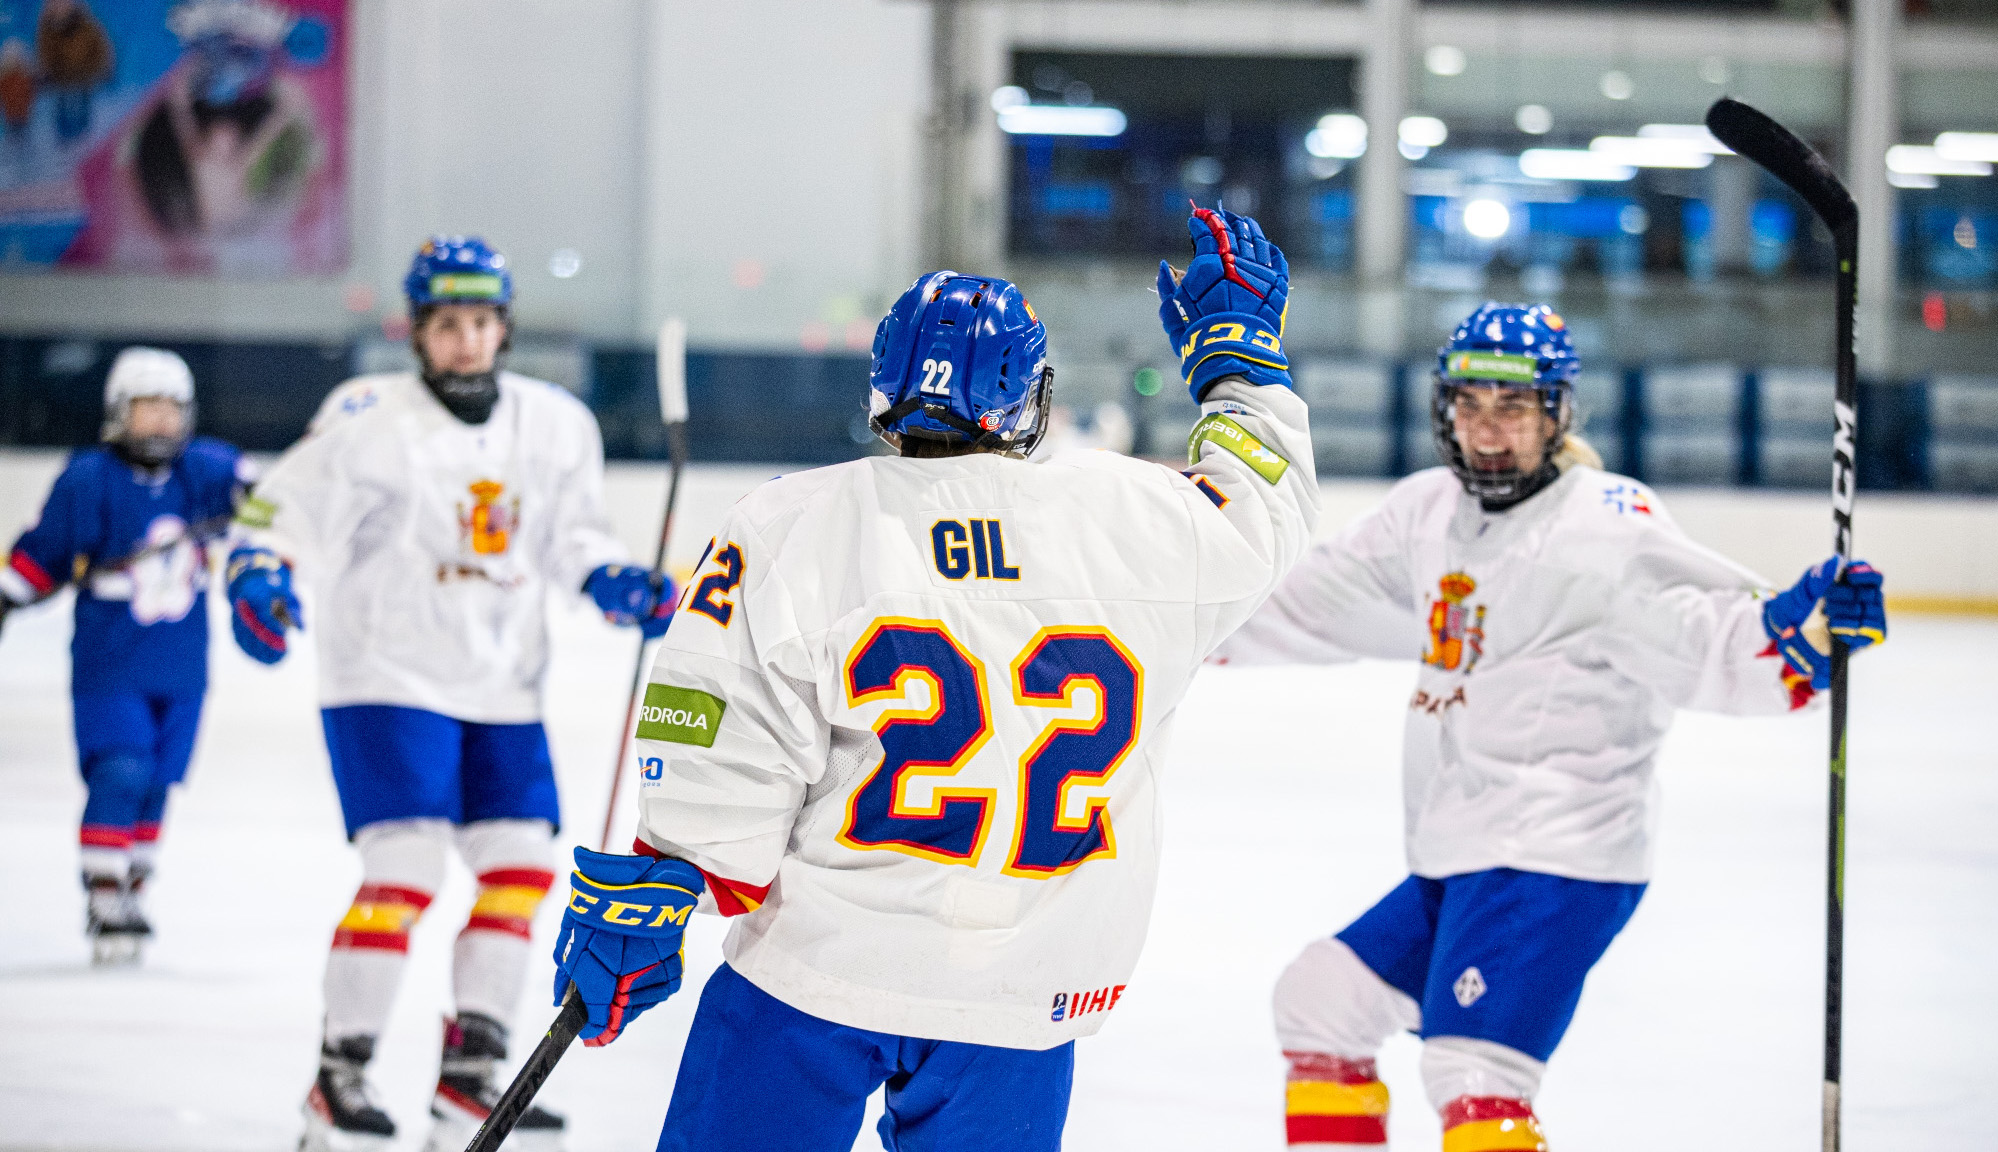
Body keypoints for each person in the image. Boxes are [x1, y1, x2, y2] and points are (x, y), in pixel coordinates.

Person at [546, 208, 1316, 1151]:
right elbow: (1264, 504)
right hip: (1023, 995)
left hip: (814, 973)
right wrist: (1239, 361)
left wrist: (666, 876)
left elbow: (717, 724)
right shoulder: (1133, 519)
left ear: (883, 388)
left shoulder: (794, 522)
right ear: (1029, 395)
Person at [1210, 303, 1888, 1151]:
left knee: (1476, 1074)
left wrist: (1806, 633)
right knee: (1321, 1002)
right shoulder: (1426, 513)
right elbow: (1309, 602)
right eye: (1470, 405)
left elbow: (1706, 638)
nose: (1488, 431)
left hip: (1559, 853)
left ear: (1557, 413)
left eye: (1513, 408)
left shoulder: (1603, 525)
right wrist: (1177, 619)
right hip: (1462, 848)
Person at [226, 236, 679, 1151]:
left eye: (480, 323)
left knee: (520, 870)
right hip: (384, 679)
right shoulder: (366, 417)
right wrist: (258, 572)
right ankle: (339, 1077)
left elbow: (571, 539)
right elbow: (283, 511)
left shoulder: (555, 424)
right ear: (418, 332)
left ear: (503, 327)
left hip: (504, 685)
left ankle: (471, 1072)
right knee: (407, 873)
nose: (466, 342)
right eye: (447, 326)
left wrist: (611, 581)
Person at [1, 346, 249, 964]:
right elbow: (44, 551)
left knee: (159, 781)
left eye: (172, 408)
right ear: (119, 412)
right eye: (148, 408)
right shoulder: (89, 478)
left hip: (183, 665)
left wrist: (266, 498)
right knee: (122, 770)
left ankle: (135, 884)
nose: (162, 421)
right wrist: (9, 593)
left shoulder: (205, 470)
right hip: (109, 662)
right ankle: (103, 889)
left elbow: (268, 499)